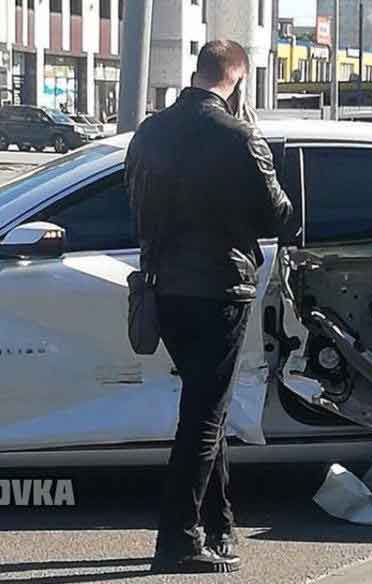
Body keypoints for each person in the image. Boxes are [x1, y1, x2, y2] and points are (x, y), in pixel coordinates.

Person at [126, 40, 294, 575]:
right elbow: (278, 218)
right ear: (238, 78)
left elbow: (133, 200)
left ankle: (218, 523)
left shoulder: (151, 131)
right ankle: (177, 539)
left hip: (165, 287)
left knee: (208, 407)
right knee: (203, 415)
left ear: (197, 72)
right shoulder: (239, 137)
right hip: (221, 289)